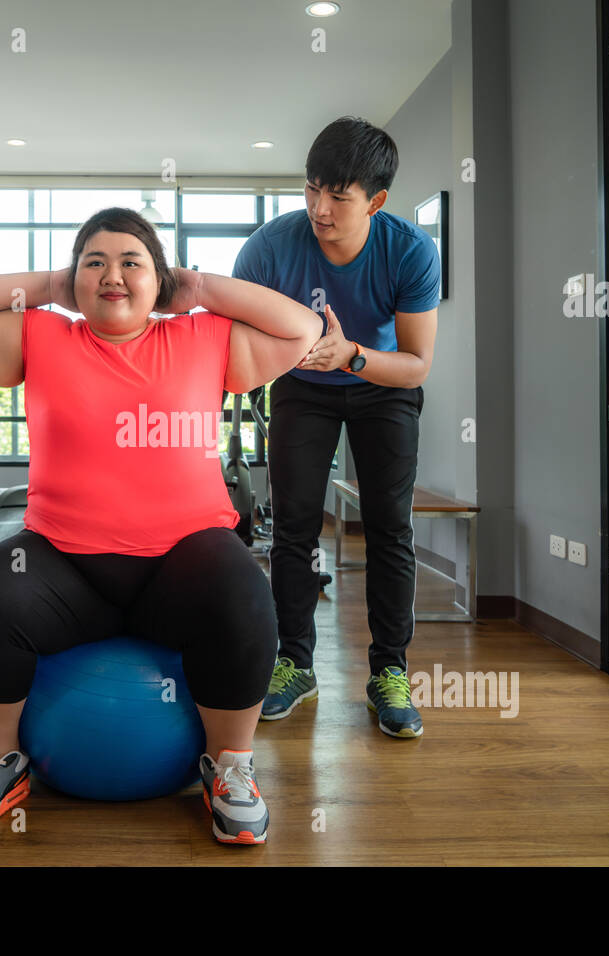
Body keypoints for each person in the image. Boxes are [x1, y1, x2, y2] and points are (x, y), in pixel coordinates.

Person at [0, 207, 322, 842]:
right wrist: (54, 287)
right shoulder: (40, 337)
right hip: (63, 568)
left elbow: (302, 328)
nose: (113, 275)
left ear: (158, 280)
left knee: (244, 586)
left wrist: (196, 288)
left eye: (132, 263)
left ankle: (231, 769)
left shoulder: (204, 338)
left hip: (182, 566)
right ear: (74, 279)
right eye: (95, 263)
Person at [233, 117, 440, 737]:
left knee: (388, 527)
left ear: (376, 201)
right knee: (293, 528)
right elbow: (237, 334)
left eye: (339, 197)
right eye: (311, 189)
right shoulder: (270, 247)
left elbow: (416, 365)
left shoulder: (410, 250)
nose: (320, 209)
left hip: (380, 385)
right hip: (302, 385)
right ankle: (294, 662)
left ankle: (389, 672)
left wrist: (350, 355)